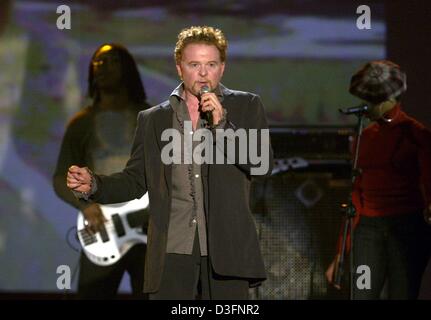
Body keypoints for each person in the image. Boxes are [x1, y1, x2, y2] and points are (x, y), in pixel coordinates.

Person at [65, 26, 273, 300]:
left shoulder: (246, 106)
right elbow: (135, 181)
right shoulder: (154, 119)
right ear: (179, 68)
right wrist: (94, 185)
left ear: (222, 68)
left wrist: (222, 125)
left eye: (211, 64)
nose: (203, 73)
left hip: (226, 249)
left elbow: (262, 163)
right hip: (172, 250)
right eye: (194, 64)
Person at [325, 60, 431, 299]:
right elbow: (356, 199)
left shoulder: (416, 134)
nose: (366, 106)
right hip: (368, 231)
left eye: (372, 100)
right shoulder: (365, 138)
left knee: (402, 293)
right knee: (362, 293)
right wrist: (341, 254)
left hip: (407, 228)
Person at [53, 43, 151, 299]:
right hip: (103, 231)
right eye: (98, 62)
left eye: (112, 61)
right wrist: (85, 206)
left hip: (151, 232)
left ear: (127, 68)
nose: (103, 67)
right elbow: (60, 177)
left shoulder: (152, 119)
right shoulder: (81, 124)